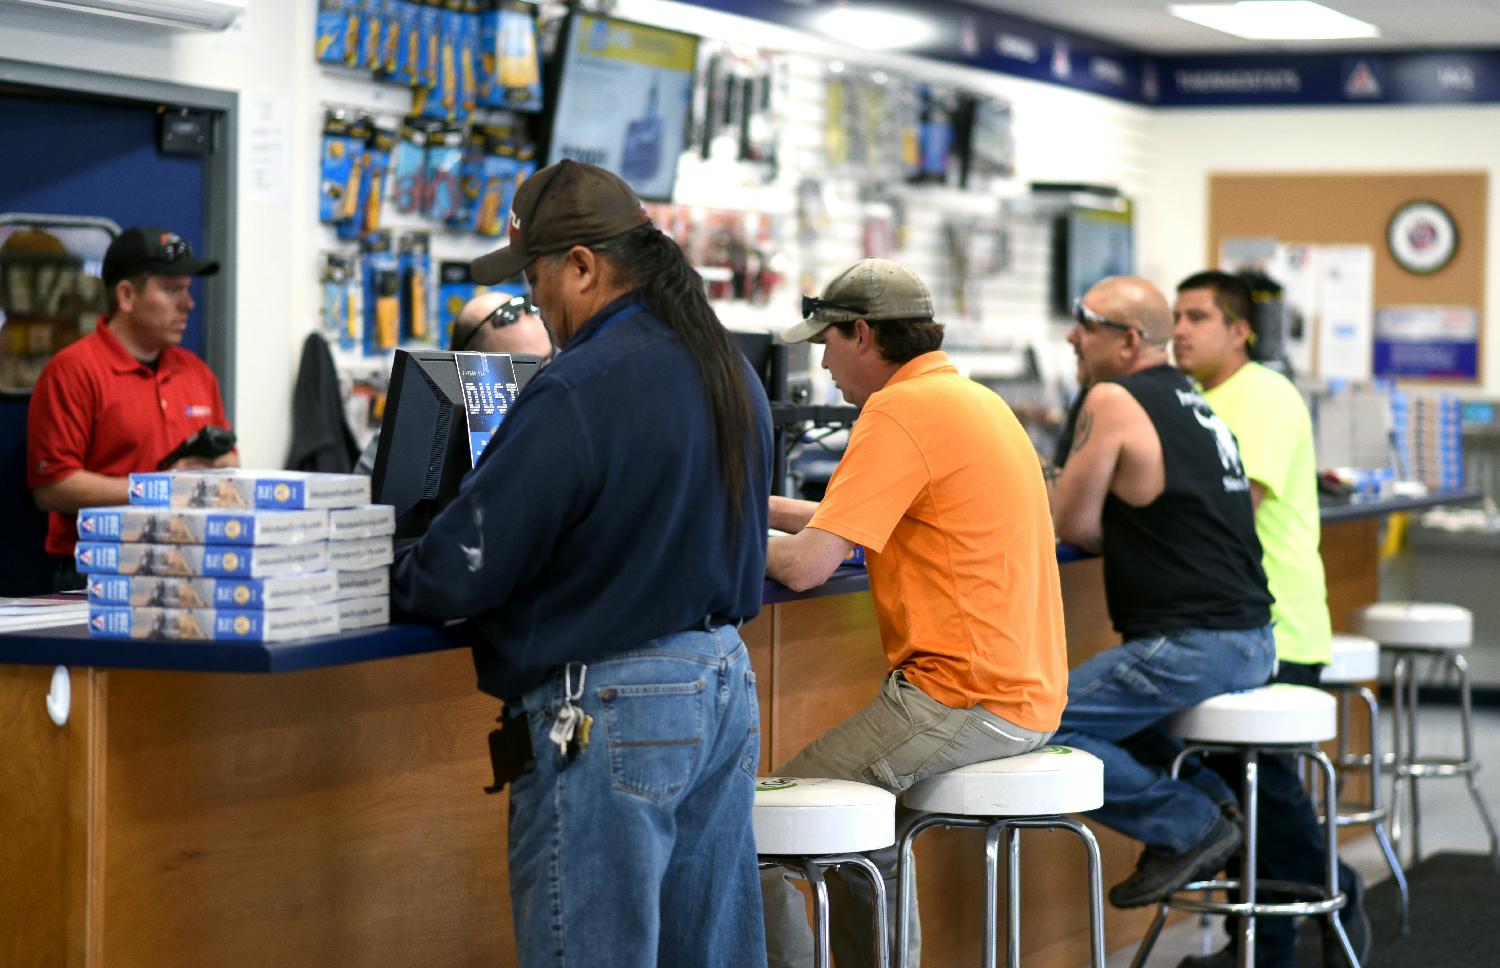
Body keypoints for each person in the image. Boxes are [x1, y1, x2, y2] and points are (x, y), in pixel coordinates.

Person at [389, 159, 773, 968]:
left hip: (615, 705)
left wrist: (392, 573)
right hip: (725, 686)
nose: (543, 308)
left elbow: (466, 567)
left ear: (584, 266)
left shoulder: (580, 386)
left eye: (536, 280)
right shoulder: (727, 366)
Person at [762, 258, 1069, 968]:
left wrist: (708, 532)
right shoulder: (969, 400)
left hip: (961, 698)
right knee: (863, 824)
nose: (825, 363)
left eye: (826, 343)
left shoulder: (897, 411)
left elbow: (806, 566)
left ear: (862, 334)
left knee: (770, 822)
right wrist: (749, 504)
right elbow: (851, 520)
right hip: (1023, 695)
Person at [1046, 275, 1276, 910]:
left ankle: (1191, 823)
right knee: (1114, 716)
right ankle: (1216, 803)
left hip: (1194, 642)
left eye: (1085, 323)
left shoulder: (1113, 398)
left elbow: (1072, 524)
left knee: (1034, 720)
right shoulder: (1195, 401)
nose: (1071, 335)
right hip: (1249, 638)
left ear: (1126, 342)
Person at [1172, 269, 1368, 968]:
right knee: (1245, 786)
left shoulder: (1260, 395)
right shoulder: (1200, 397)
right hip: (1232, 622)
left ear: (1239, 329)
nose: (1181, 329)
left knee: (1264, 788)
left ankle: (1316, 903)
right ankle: (1264, 935)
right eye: (1176, 315)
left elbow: (1230, 506)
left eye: (1198, 315)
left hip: (1276, 623)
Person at [27, 226, 236, 590]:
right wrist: (161, 488)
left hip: (188, 560)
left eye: (187, 290)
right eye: (172, 290)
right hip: (98, 566)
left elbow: (231, 460)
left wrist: (214, 467)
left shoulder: (196, 372)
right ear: (126, 295)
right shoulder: (73, 371)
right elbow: (54, 488)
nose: (189, 303)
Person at [352, 290, 553, 475]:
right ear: (469, 373)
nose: (543, 379)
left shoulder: (559, 428)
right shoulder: (409, 440)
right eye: (524, 370)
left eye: (547, 361)